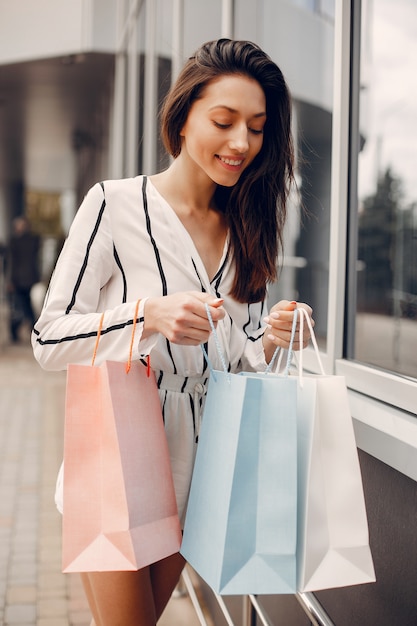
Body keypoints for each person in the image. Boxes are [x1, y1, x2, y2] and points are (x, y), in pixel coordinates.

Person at [32, 39, 314, 626]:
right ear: (183, 117)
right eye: (224, 120)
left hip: (204, 451)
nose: (242, 142)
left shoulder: (249, 229)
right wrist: (146, 315)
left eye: (258, 128)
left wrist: (276, 334)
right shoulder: (113, 205)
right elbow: (48, 338)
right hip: (120, 438)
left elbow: (242, 357)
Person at [8, 215, 40, 342]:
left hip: (27, 279)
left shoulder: (31, 240)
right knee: (23, 306)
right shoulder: (14, 241)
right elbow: (12, 262)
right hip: (18, 280)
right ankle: (33, 328)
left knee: (23, 306)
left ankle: (31, 328)